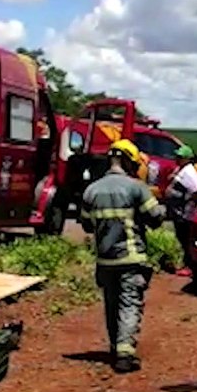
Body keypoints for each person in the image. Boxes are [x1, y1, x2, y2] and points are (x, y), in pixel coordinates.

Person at [79, 139, 166, 373]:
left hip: (104, 261)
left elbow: (87, 225)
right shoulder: (136, 187)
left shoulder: (91, 190)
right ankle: (125, 354)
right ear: (129, 161)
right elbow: (156, 217)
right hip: (130, 258)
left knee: (111, 304)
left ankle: (115, 348)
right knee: (129, 303)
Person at [164, 144, 197, 278]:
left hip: (184, 213)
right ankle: (186, 264)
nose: (177, 158)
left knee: (185, 239)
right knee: (181, 238)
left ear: (187, 158)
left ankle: (190, 266)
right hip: (178, 211)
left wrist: (186, 202)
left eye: (180, 157)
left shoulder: (189, 172)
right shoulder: (181, 169)